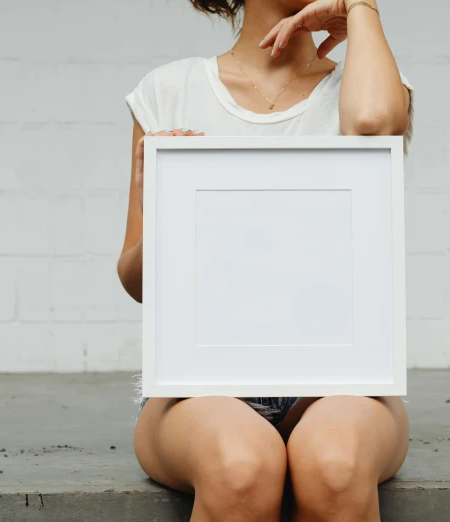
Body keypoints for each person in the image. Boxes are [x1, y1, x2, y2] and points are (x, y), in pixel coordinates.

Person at [117, 0, 414, 519]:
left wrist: (360, 7)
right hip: (198, 389)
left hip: (338, 382)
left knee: (335, 466)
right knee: (240, 467)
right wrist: (160, 206)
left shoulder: (370, 82)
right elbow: (136, 280)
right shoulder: (169, 90)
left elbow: (372, 124)